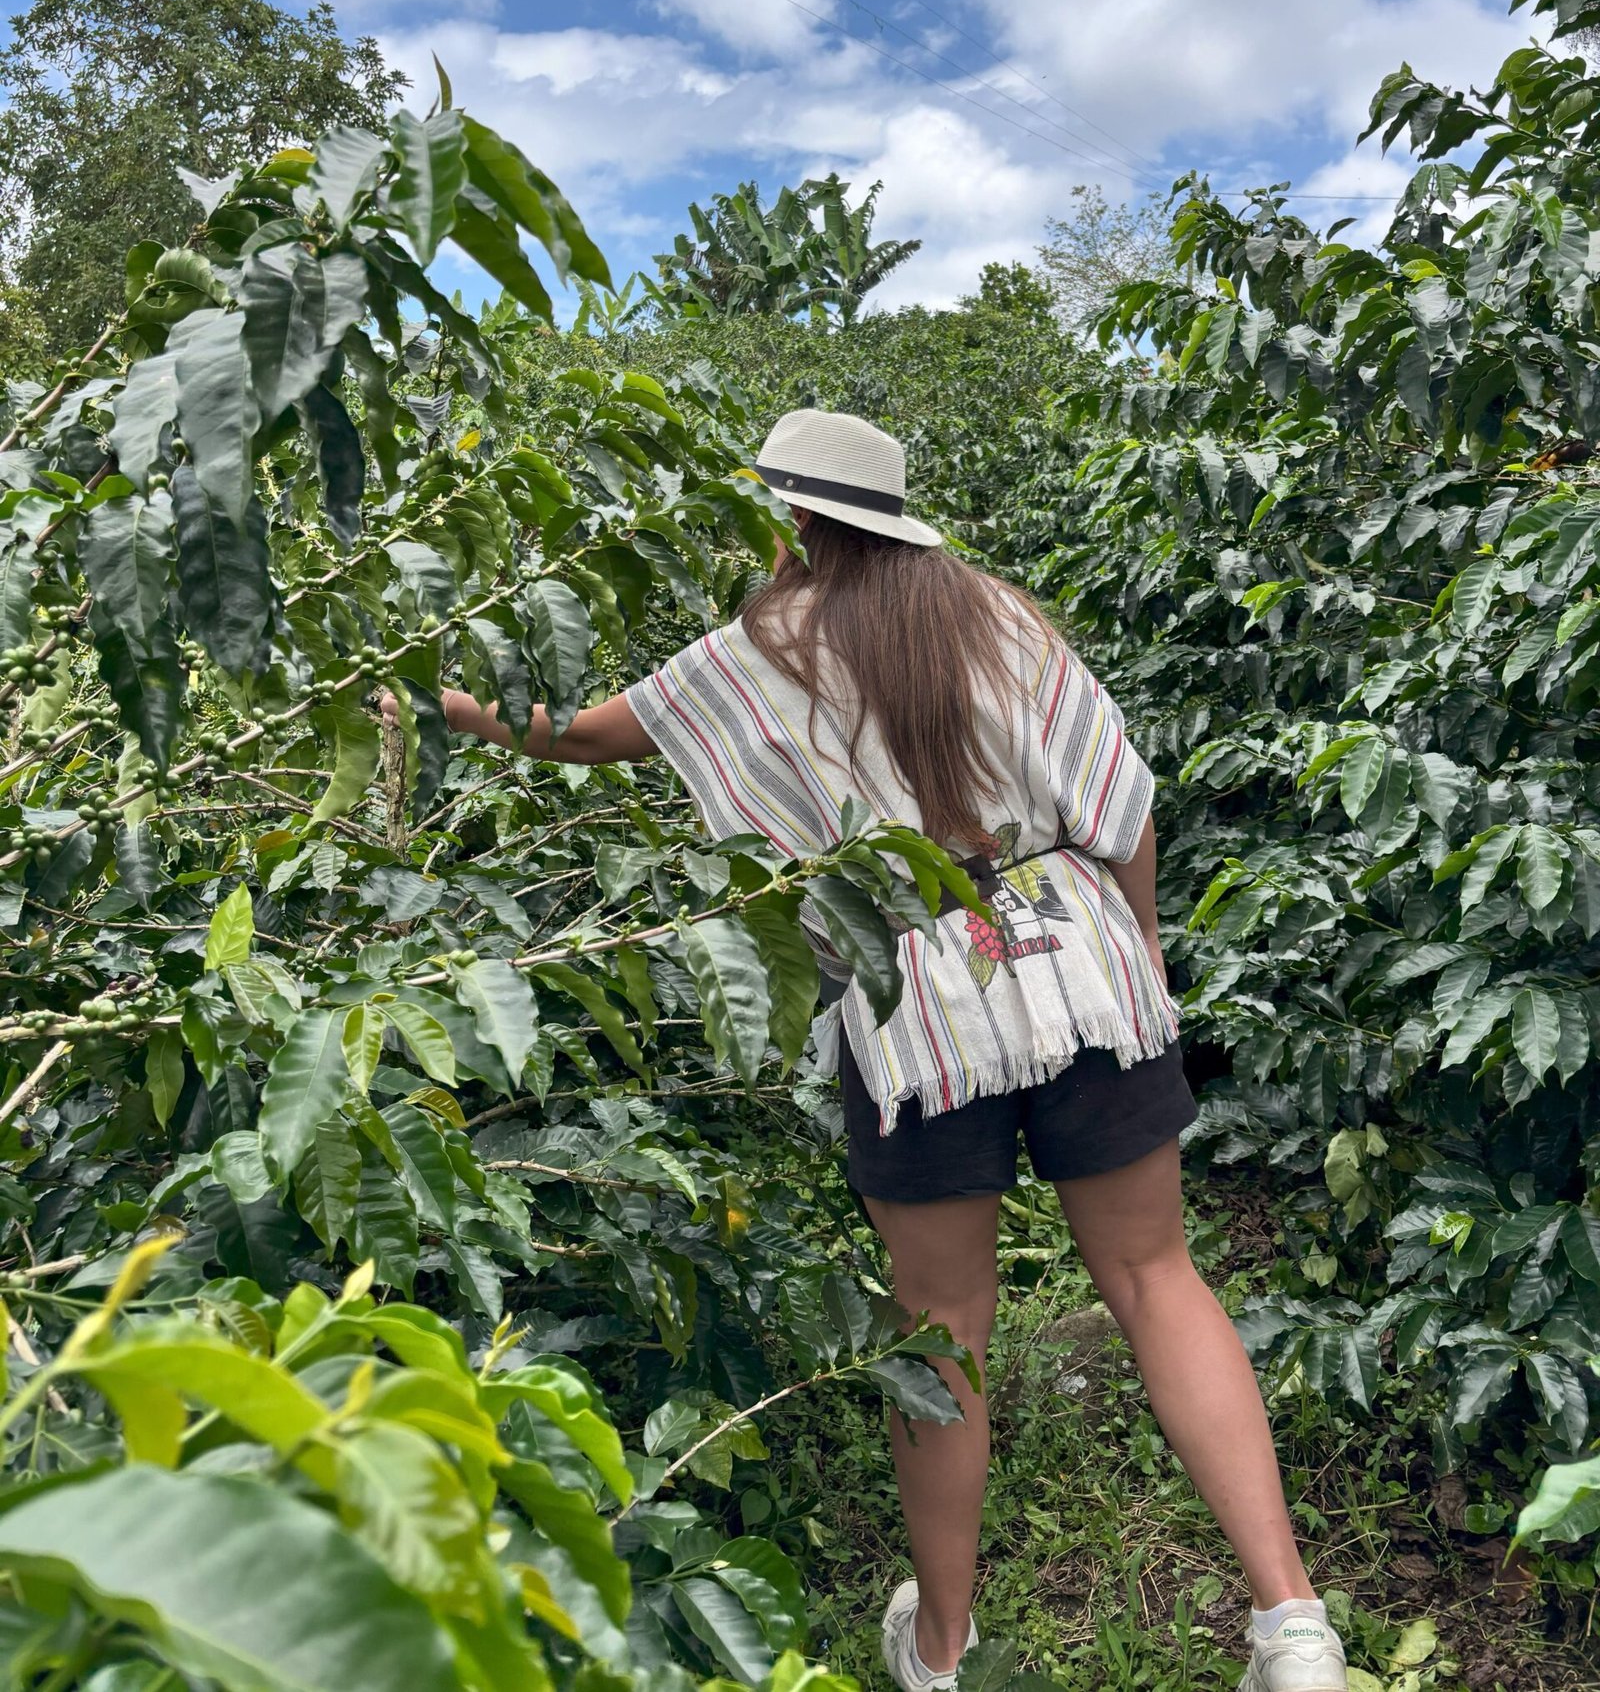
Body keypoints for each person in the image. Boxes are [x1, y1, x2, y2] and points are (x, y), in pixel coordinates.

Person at [408, 409, 1347, 1692]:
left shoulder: (757, 652)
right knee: (1154, 1277)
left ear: (790, 518)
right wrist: (1137, 957)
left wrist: (436, 693)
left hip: (914, 993)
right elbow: (1120, 801)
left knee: (940, 1331)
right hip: (1081, 965)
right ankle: (1291, 1623)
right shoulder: (996, 615)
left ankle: (942, 1653)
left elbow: (574, 733)